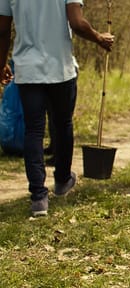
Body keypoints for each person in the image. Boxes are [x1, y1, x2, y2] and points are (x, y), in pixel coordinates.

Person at [0, 0, 114, 216]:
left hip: (27, 69)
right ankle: (62, 180)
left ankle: (38, 197)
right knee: (62, 124)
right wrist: (100, 38)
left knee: (33, 129)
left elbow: (3, 28)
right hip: (60, 68)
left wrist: (0, 63)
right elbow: (77, 23)